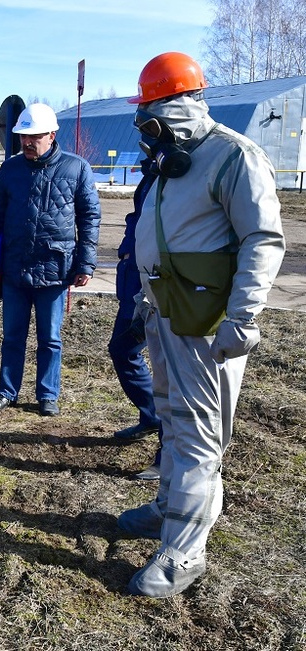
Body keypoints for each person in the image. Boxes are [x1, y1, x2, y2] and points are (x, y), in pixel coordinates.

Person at [117, 52, 285, 598]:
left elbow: (263, 238)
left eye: (145, 108)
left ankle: (183, 553)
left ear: (168, 104)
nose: (141, 121)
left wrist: (243, 317)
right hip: (167, 310)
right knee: (169, 413)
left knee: (196, 432)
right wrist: (146, 298)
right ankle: (170, 507)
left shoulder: (233, 156)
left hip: (207, 323)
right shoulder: (175, 158)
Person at [0, 103, 101, 417]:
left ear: (52, 134)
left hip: (54, 270)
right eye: (23, 137)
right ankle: (7, 392)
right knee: (12, 335)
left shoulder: (76, 168)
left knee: (50, 338)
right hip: (15, 268)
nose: (27, 142)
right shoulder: (11, 169)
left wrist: (85, 263)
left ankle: (48, 395)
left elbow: (89, 218)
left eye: (34, 136)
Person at [109, 162, 163, 480]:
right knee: (122, 349)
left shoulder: (180, 169)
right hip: (135, 285)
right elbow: (138, 219)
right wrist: (127, 251)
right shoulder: (152, 171)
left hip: (164, 287)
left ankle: (167, 454)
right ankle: (152, 414)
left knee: (170, 374)